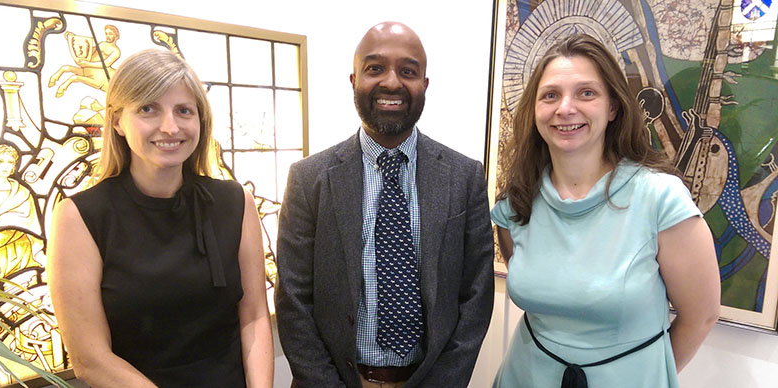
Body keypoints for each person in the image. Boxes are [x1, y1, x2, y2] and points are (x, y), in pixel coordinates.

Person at [491, 34, 720, 388]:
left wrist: (644, 374)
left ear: (613, 107)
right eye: (550, 95)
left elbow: (701, 316)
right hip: (525, 377)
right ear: (534, 110)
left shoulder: (659, 198)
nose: (565, 108)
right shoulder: (516, 202)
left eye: (586, 93)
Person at [275, 21, 494, 388]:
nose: (391, 82)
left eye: (407, 71)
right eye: (375, 68)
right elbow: (294, 301)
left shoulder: (465, 176)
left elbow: (476, 296)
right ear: (354, 80)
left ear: (424, 85)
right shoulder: (308, 178)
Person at [47, 49, 273, 388]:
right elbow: (90, 359)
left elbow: (253, 317)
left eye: (184, 110)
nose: (170, 127)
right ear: (117, 121)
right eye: (148, 109)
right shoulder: (80, 216)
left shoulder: (235, 201)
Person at [0, 143, 44, 278]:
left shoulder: (22, 193)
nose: (6, 166)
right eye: (0, 161)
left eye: (10, 162)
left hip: (15, 252)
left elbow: (24, 225)